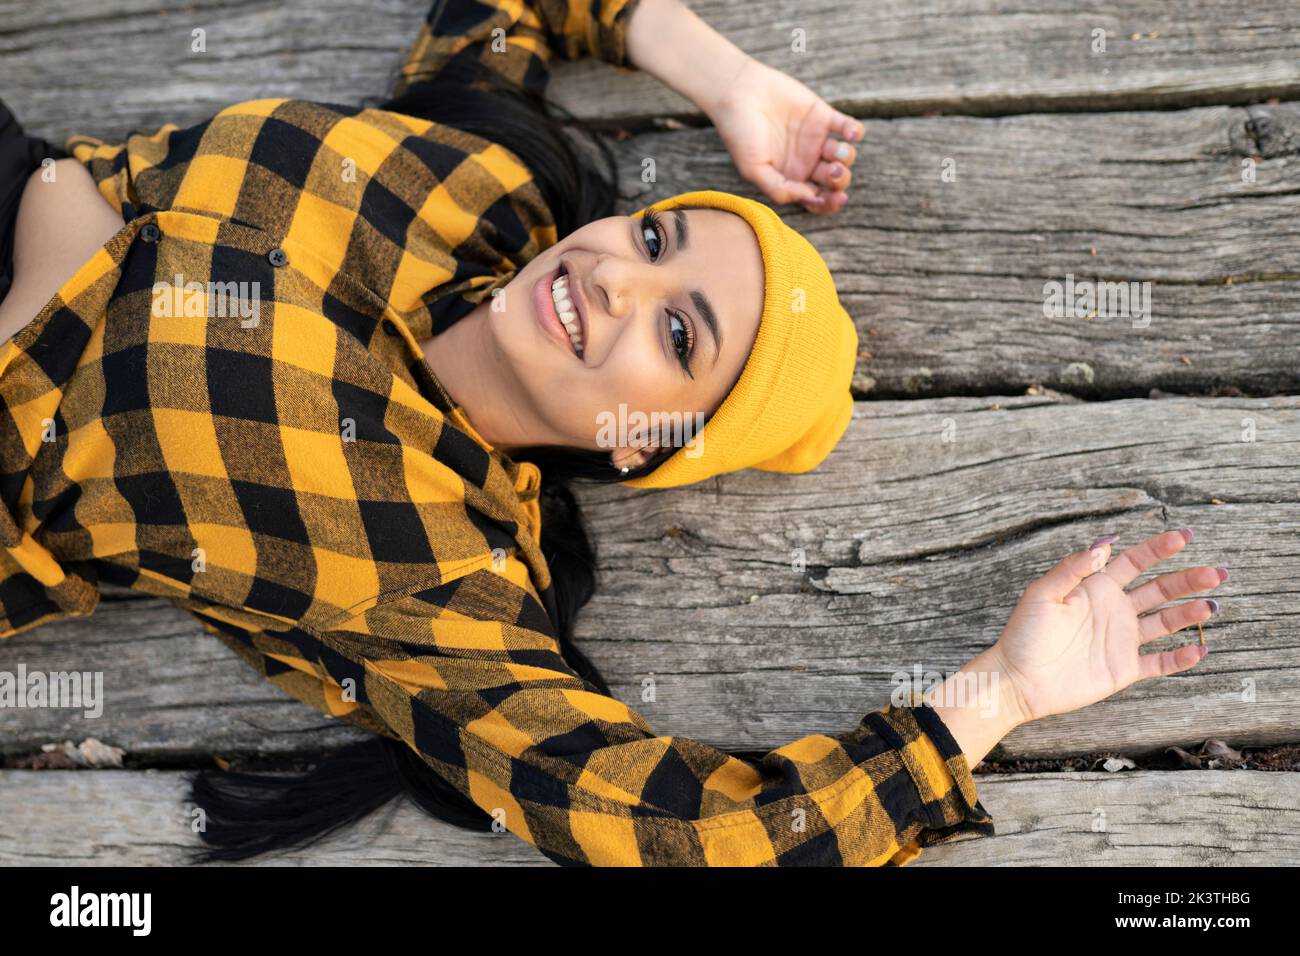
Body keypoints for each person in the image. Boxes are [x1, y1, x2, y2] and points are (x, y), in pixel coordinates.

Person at [0, 0, 1224, 866]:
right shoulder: (489, 185)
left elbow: (695, 834)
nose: (617, 279)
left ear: (647, 445)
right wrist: (728, 80)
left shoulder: (448, 578)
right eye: (655, 238)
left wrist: (992, 696)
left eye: (680, 337)